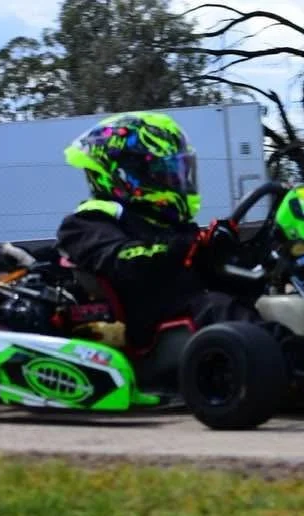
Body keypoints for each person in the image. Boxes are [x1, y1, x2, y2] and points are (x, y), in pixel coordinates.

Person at [55, 111, 259, 349]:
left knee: (272, 303)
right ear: (122, 174)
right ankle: (300, 363)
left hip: (196, 323)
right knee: (220, 308)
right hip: (150, 330)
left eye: (177, 171)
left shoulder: (164, 223)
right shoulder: (86, 223)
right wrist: (189, 244)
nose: (174, 178)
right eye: (164, 172)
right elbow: (123, 260)